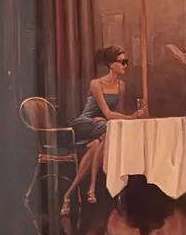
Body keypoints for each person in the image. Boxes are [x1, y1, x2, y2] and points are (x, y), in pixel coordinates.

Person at [61, 45, 145, 214]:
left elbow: (117, 112)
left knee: (97, 144)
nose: (125, 65)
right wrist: (132, 117)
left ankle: (73, 193)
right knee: (108, 128)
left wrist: (120, 118)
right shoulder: (96, 84)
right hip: (85, 123)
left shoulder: (121, 85)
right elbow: (107, 113)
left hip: (104, 125)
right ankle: (91, 187)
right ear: (111, 64)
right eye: (122, 62)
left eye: (126, 62)